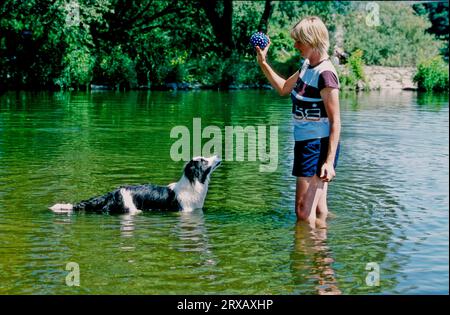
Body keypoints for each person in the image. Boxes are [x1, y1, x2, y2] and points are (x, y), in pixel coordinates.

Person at [256, 16, 341, 228]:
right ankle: (321, 258)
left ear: (312, 41)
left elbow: (336, 121)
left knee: (303, 212)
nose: (295, 45)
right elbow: (284, 88)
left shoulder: (326, 74)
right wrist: (263, 63)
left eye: (299, 41)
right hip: (305, 143)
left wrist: (329, 162)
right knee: (319, 210)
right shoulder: (306, 66)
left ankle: (305, 257)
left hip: (317, 145)